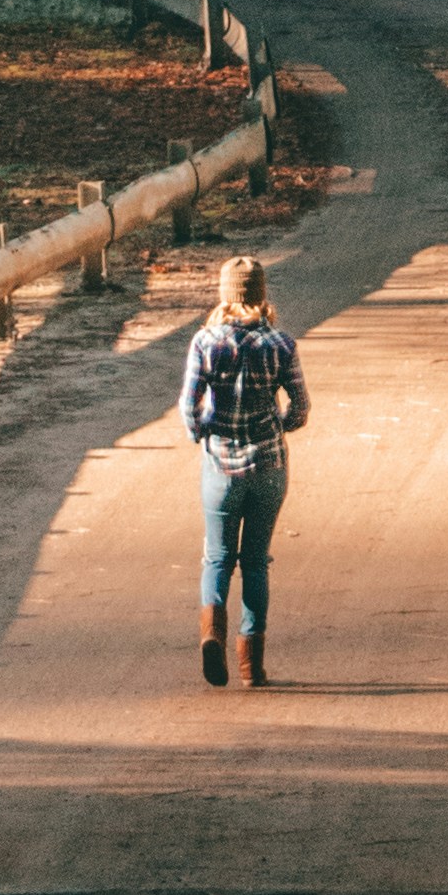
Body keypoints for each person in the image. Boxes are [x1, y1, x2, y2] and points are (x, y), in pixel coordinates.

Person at [182, 248, 309, 691]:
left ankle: (210, 633)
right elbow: (300, 407)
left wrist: (205, 434)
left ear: (224, 295)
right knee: (256, 562)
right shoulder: (282, 343)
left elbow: (188, 407)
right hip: (269, 465)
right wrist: (279, 426)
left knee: (217, 557)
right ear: (261, 295)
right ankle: (252, 665)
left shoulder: (205, 342)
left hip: (221, 465)